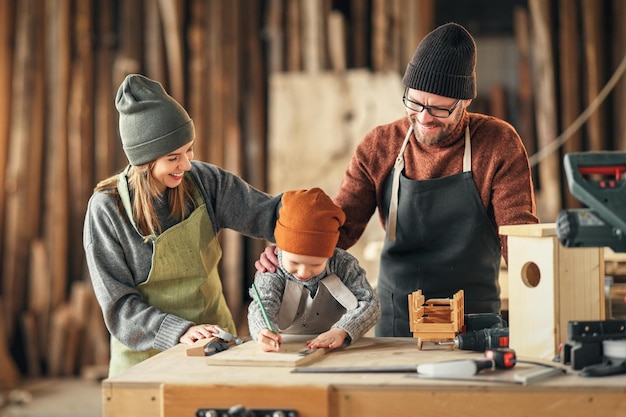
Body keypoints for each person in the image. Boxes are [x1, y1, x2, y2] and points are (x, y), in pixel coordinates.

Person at [256, 22, 539, 337]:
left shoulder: (498, 143)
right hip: (397, 319)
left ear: (465, 102)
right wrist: (291, 249)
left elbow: (520, 239)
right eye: (415, 103)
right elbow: (340, 230)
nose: (423, 117)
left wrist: (542, 297)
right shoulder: (380, 145)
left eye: (439, 109)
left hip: (472, 319)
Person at [83, 74, 282, 377]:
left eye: (189, 150)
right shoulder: (107, 210)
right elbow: (120, 307)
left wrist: (293, 237)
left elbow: (267, 214)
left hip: (216, 347)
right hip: (144, 362)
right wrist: (179, 331)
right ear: (144, 162)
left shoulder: (204, 182)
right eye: (173, 157)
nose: (187, 164)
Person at [248, 188, 381, 352]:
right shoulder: (272, 267)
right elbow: (263, 304)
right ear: (280, 247)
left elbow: (370, 302)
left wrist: (342, 331)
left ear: (330, 254)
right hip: (285, 345)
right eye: (294, 262)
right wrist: (262, 330)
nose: (303, 272)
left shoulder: (343, 265)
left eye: (316, 264)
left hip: (340, 347)